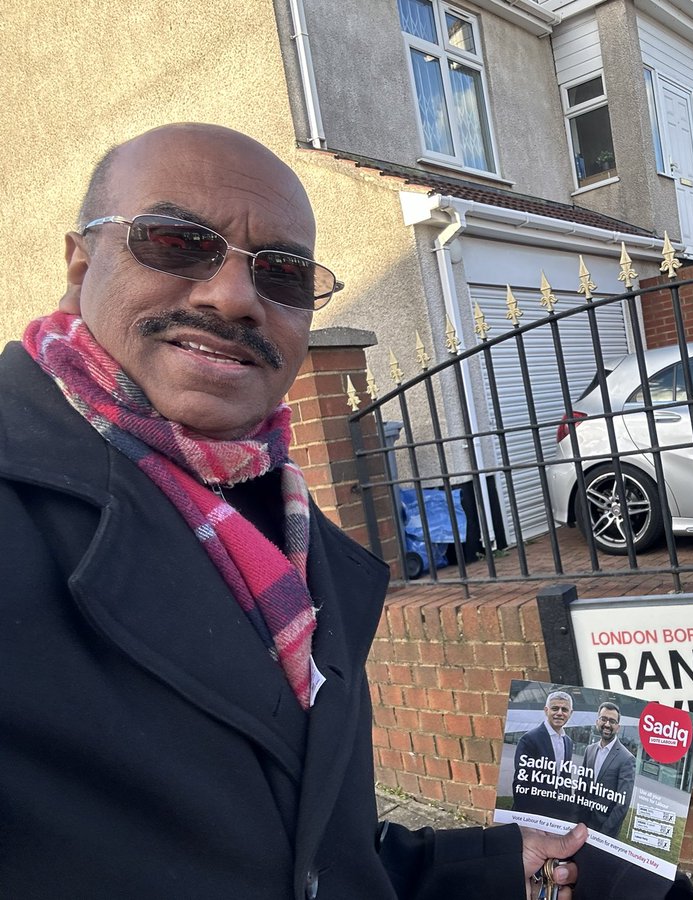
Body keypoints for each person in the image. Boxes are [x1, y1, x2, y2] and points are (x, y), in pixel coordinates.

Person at [0, 122, 588, 900]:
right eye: (177, 243)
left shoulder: (296, 537)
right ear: (80, 263)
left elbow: (316, 858)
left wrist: (491, 866)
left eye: (283, 273)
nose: (235, 296)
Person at [512, 690, 577, 821]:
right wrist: (527, 817)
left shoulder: (568, 742)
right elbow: (520, 783)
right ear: (546, 710)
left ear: (571, 713)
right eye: (555, 708)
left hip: (557, 812)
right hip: (532, 812)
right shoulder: (529, 739)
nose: (559, 713)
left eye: (564, 709)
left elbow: (566, 777)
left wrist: (568, 810)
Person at [578, 703, 636, 838]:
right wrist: (577, 819)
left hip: (604, 830)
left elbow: (622, 805)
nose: (607, 725)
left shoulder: (626, 759)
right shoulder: (589, 750)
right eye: (603, 719)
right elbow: (581, 788)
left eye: (612, 721)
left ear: (618, 727)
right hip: (582, 825)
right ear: (597, 721)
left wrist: (603, 834)